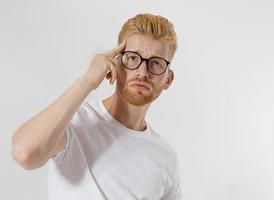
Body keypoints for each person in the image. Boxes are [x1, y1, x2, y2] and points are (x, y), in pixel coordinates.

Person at [12, 13, 181, 199]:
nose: (142, 72)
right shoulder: (74, 120)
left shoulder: (165, 158)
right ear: (117, 63)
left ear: (168, 79)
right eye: (133, 58)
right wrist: (87, 81)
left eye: (156, 63)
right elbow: (24, 153)